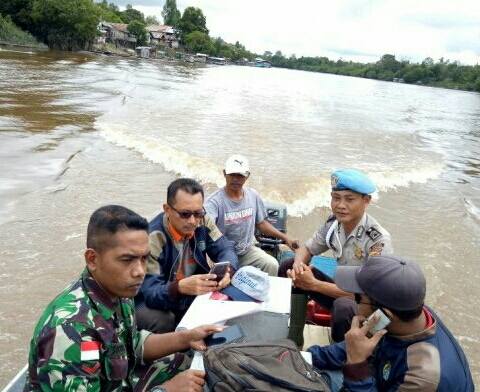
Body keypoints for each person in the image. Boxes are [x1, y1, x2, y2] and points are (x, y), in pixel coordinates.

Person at [25, 205, 223, 392]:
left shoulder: (118, 292)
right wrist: (165, 390)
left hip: (120, 381)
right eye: (127, 260)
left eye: (144, 258)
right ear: (93, 259)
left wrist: (185, 338)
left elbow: (133, 343)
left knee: (191, 365)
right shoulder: (70, 330)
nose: (139, 271)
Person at [307, 254, 475, 392]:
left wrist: (356, 364)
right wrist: (308, 357)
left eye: (358, 297)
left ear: (384, 314)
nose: (353, 301)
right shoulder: (404, 314)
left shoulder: (423, 377)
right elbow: (355, 344)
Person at [279, 169, 393, 345]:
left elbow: (367, 294)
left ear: (366, 201)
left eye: (349, 199)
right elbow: (306, 249)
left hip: (367, 307)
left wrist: (314, 284)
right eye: (336, 197)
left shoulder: (377, 240)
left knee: (343, 306)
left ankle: (341, 356)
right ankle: (293, 338)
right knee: (289, 266)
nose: (340, 205)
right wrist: (298, 267)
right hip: (342, 291)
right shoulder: (334, 225)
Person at [135, 178, 239, 333]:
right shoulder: (153, 239)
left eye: (197, 213)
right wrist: (179, 288)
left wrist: (228, 270)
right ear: (167, 209)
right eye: (184, 214)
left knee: (234, 292)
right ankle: (170, 355)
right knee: (164, 320)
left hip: (192, 290)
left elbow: (225, 249)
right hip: (151, 301)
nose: (192, 221)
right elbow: (149, 292)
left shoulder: (203, 221)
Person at [204, 154, 299, 276]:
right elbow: (206, 230)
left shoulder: (252, 196)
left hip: (246, 251)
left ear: (247, 176)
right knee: (223, 281)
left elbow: (261, 224)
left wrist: (286, 238)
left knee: (272, 264)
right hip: (222, 255)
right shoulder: (214, 202)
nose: (236, 179)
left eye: (240, 175)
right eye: (232, 174)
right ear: (224, 173)